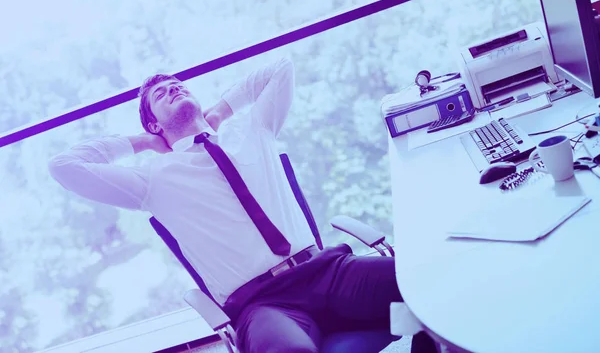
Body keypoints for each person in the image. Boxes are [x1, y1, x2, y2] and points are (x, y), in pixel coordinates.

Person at [48, 57, 438, 353]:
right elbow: (65, 167)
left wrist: (221, 111)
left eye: (178, 84)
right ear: (154, 125)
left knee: (428, 286)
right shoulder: (153, 179)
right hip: (265, 304)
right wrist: (141, 143)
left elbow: (281, 68)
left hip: (327, 273)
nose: (174, 89)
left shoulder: (253, 130)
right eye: (161, 94)